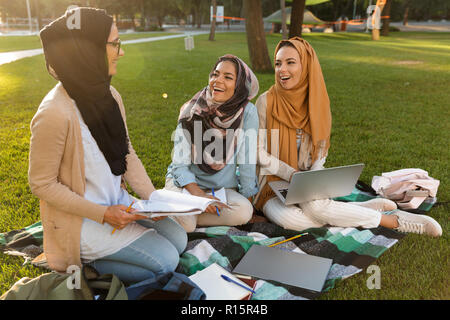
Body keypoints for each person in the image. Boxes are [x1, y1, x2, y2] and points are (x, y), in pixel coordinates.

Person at [29, 7, 187, 285]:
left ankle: (113, 254)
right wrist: (103, 214)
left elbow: (127, 153)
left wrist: (154, 200)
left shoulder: (110, 95)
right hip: (83, 221)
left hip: (118, 204)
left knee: (179, 237)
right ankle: (82, 261)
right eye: (115, 44)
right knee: (167, 261)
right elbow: (41, 184)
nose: (121, 51)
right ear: (87, 51)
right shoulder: (53, 113)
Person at [254, 37, 442, 237]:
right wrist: (291, 174)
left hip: (307, 181)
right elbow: (258, 153)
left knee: (316, 209)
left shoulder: (317, 101)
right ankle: (374, 214)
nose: (282, 69)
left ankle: (393, 221)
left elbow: (320, 149)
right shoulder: (266, 102)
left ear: (306, 65)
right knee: (295, 221)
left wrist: (313, 177)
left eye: (290, 62)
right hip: (272, 186)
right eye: (278, 63)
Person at [165, 54, 260, 232]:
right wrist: (198, 195)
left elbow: (247, 160)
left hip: (221, 187)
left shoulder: (247, 112)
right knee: (186, 224)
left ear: (239, 85)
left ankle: (182, 213)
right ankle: (185, 213)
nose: (217, 81)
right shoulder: (192, 109)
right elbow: (179, 164)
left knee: (243, 212)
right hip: (185, 183)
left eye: (228, 77)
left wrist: (249, 199)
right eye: (215, 74)